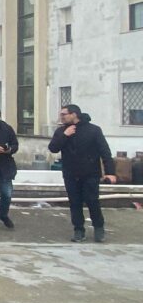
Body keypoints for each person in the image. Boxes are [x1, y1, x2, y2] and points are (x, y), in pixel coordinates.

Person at [48, 104, 118, 242]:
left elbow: (105, 152)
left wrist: (110, 172)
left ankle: (99, 228)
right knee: (75, 203)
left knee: (92, 201)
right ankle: (79, 230)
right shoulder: (61, 131)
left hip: (90, 173)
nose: (61, 117)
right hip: (70, 174)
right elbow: (53, 148)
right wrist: (65, 135)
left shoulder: (94, 130)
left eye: (64, 114)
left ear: (74, 114)